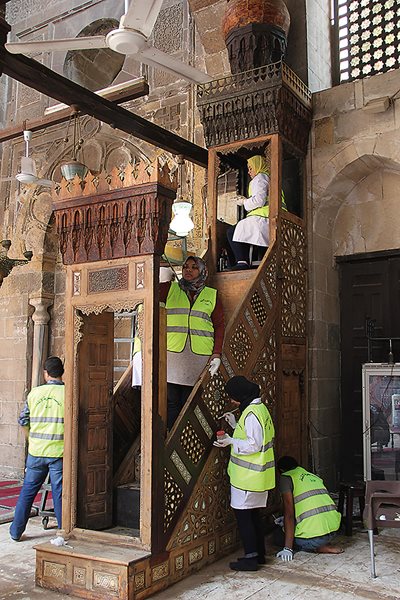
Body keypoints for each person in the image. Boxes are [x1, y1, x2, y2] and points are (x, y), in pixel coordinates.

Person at [214, 375, 275, 571]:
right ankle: (258, 556)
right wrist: (234, 424)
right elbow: (252, 434)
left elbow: (253, 444)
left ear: (241, 395)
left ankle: (250, 558)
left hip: (247, 478)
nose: (232, 401)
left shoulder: (251, 414)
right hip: (258, 477)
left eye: (233, 397)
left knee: (244, 517)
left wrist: (231, 441)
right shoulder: (259, 409)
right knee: (253, 516)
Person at [160, 256, 224, 430]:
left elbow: (219, 326)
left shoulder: (211, 295)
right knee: (171, 401)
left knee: (190, 401)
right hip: (173, 354)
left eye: (194, 267)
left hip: (199, 357)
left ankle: (185, 437)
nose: (188, 270)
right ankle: (171, 437)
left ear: (202, 271)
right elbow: (147, 295)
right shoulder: (170, 289)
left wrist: (217, 353)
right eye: (185, 266)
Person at [10, 356, 65, 541]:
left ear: (45, 373)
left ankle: (16, 532)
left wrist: (31, 439)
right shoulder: (68, 394)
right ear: (62, 372)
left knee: (28, 492)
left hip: (36, 451)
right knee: (59, 493)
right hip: (58, 452)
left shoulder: (34, 393)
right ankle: (63, 532)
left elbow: (23, 421)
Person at [275, 455, 343, 561]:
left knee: (277, 537)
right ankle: (322, 542)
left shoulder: (286, 478)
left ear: (281, 470)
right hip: (334, 531)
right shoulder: (314, 476)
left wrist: (288, 548)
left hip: (316, 538)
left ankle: (317, 547)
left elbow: (289, 515)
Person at [226, 154, 286, 270]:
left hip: (264, 217)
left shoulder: (260, 178)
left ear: (258, 166)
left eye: (251, 168)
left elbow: (259, 201)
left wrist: (244, 202)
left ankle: (242, 262)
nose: (249, 172)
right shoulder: (268, 178)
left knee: (231, 232)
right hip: (270, 218)